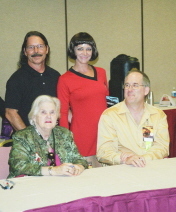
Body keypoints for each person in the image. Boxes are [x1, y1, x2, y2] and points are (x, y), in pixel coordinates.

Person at [97, 70, 169, 167]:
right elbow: (103, 151)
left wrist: (142, 159)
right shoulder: (110, 115)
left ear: (146, 90)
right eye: (127, 85)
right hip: (121, 170)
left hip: (150, 167)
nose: (129, 89)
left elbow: (162, 147)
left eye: (135, 85)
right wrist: (125, 159)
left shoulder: (158, 115)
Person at [57, 32, 108, 167]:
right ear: (73, 51)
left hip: (105, 133)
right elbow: (62, 113)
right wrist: (65, 143)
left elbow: (107, 102)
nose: (85, 53)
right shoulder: (65, 79)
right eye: (80, 48)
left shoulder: (101, 72)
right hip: (82, 135)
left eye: (88, 49)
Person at [8, 95, 88, 178]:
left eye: (52, 112)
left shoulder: (64, 134)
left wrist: (78, 167)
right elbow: (18, 166)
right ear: (34, 117)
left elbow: (80, 159)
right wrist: (54, 170)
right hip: (28, 184)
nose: (48, 116)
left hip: (60, 183)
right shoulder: (22, 136)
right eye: (43, 112)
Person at [5, 31, 60, 131]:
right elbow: (10, 113)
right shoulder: (16, 79)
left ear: (47, 49)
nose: (36, 51)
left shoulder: (56, 76)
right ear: (25, 52)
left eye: (40, 46)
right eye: (31, 47)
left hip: (54, 139)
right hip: (27, 143)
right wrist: (32, 141)